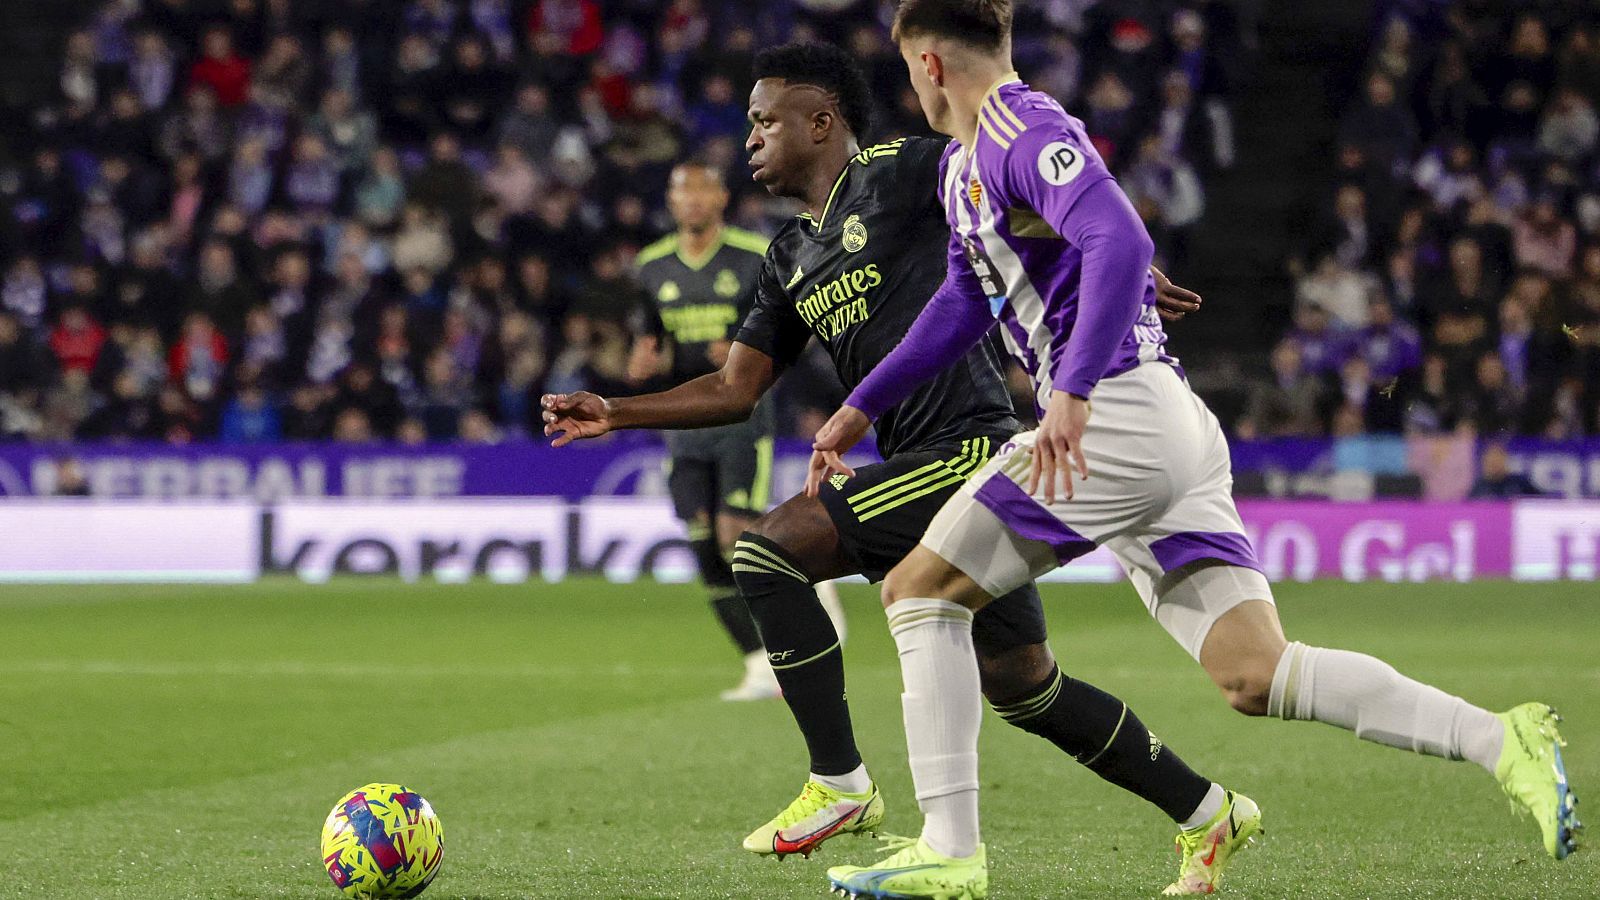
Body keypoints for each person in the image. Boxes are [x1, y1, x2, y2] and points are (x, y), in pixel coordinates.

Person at [809, 3, 1581, 897]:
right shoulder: (964, 165)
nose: (912, 86)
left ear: (930, 63)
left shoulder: (1024, 128)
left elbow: (1121, 234)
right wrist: (860, 407)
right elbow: (965, 299)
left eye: (909, 69)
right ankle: (1501, 738)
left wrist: (1071, 389)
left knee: (916, 591)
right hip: (1160, 425)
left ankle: (948, 847)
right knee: (1256, 673)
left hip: (1116, 419)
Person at [544, 40, 1231, 889]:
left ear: (820, 121)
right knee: (1024, 686)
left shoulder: (904, 169)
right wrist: (617, 410)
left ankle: (839, 783)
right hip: (919, 458)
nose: (749, 138)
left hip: (972, 444)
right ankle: (1211, 812)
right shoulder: (789, 257)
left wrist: (1107, 246)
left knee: (766, 550)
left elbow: (1019, 181)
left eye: (765, 121)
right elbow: (734, 387)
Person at [630, 160, 846, 702]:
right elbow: (648, 342)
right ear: (672, 202)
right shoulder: (650, 266)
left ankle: (808, 582)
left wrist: (749, 354)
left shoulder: (755, 258)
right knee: (702, 544)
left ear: (722, 199)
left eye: (703, 191)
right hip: (682, 420)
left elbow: (797, 332)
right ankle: (756, 662)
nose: (694, 201)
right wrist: (641, 362)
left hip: (743, 420)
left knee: (735, 535)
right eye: (684, 192)